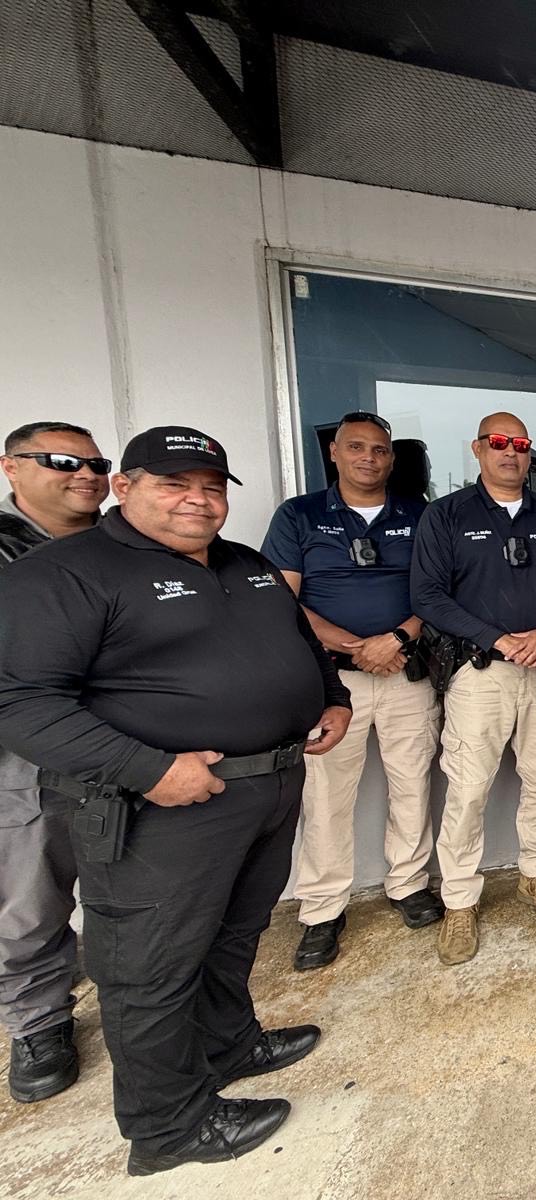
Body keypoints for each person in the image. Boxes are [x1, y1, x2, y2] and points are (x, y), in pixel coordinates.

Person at [0, 426, 352, 1174]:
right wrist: (148, 769)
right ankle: (167, 1128)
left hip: (266, 787)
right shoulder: (66, 573)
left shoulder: (246, 564)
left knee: (234, 933)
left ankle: (228, 1044)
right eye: (174, 485)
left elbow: (302, 645)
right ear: (124, 487)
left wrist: (334, 698)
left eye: (212, 487)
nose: (198, 500)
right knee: (149, 969)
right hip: (157, 808)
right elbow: (22, 703)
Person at [261, 412, 442, 973]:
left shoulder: (419, 514)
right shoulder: (299, 515)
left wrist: (396, 639)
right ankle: (322, 909)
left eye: (380, 450)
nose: (369, 458)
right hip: (331, 681)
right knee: (326, 797)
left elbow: (438, 591)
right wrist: (355, 646)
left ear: (392, 458)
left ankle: (409, 883)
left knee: (412, 784)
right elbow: (281, 598)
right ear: (335, 453)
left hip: (405, 673)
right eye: (357, 447)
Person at [411, 412, 536, 965]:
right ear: (478, 449)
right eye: (500, 443)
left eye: (521, 444)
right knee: (467, 790)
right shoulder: (446, 515)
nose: (511, 452)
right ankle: (459, 900)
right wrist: (499, 638)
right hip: (479, 672)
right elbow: (428, 597)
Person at [0, 421, 108, 1104]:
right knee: (30, 895)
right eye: (63, 462)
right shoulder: (6, 549)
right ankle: (39, 1022)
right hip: (28, 757)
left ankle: (147, 999)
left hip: (134, 748)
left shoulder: (129, 542)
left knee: (142, 886)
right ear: (11, 467)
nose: (85, 474)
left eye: (96, 463)